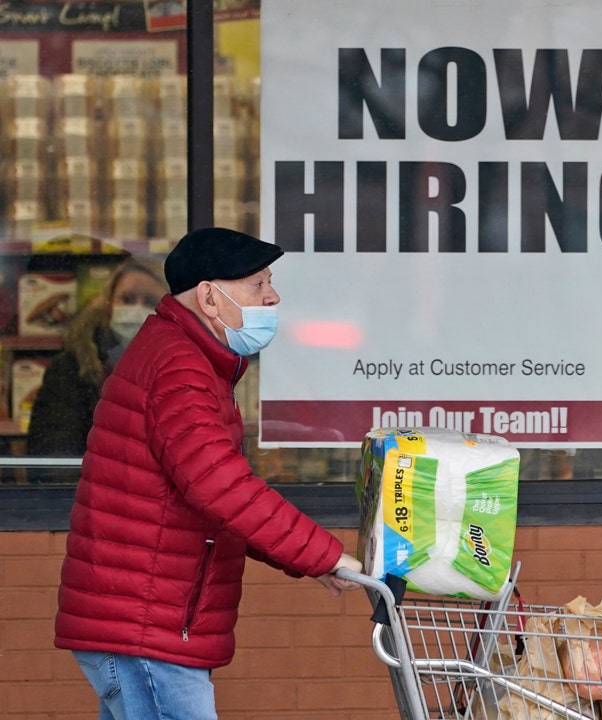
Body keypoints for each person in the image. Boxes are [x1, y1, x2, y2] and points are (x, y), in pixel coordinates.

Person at [54, 227, 363, 720]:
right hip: (145, 623)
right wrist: (322, 553)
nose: (273, 295)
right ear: (210, 297)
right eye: (258, 284)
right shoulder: (180, 366)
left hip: (143, 618)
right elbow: (222, 487)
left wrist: (313, 561)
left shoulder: (183, 357)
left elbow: (212, 497)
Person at [26, 257, 168, 461]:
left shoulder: (185, 368)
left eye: (150, 302)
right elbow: (54, 458)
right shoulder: (71, 369)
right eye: (127, 299)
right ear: (110, 305)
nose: (137, 310)